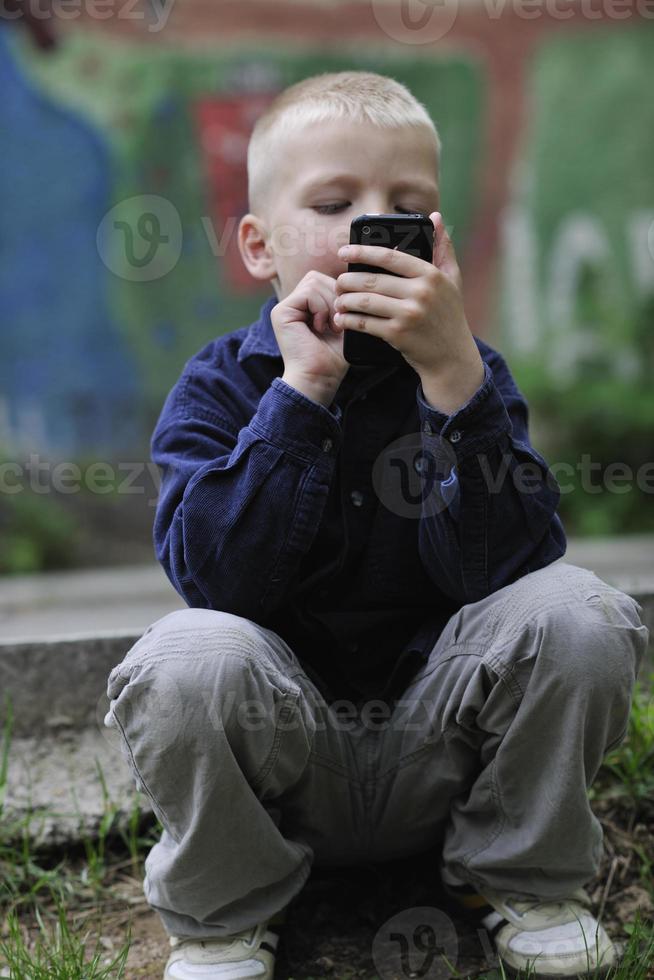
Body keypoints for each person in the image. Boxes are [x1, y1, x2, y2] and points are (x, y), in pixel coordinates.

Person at [104, 71, 649, 980]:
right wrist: (301, 395)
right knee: (185, 652)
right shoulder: (216, 388)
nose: (372, 223)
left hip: (446, 760)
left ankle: (522, 875)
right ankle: (228, 908)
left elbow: (508, 572)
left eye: (407, 206)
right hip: (290, 768)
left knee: (578, 610)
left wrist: (452, 385)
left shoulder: (471, 375)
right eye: (334, 201)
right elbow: (221, 585)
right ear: (257, 244)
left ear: (439, 240)